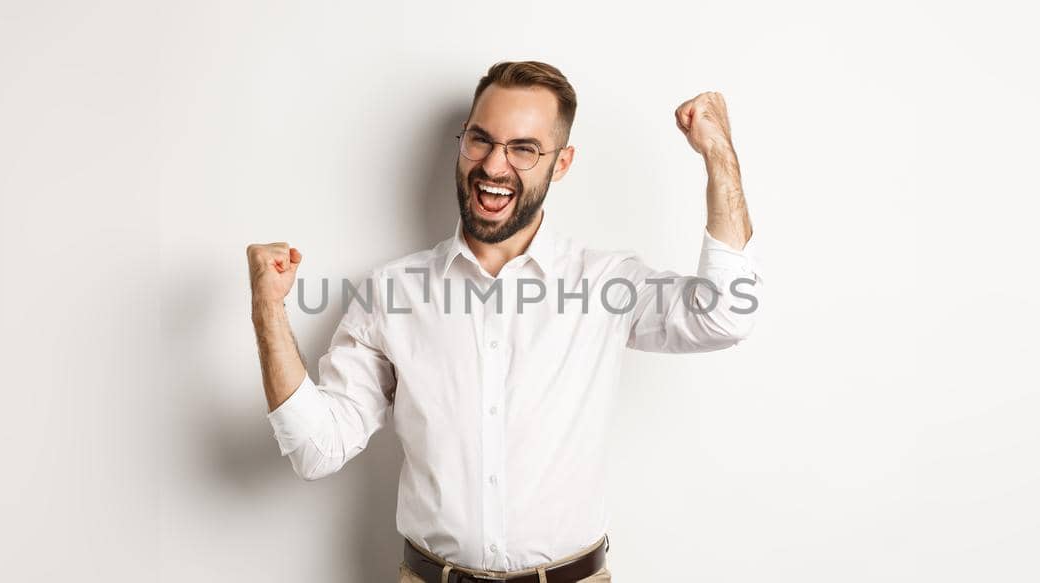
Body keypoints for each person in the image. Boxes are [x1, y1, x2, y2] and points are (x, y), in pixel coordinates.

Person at [245, 60, 760, 582]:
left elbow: (724, 315)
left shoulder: (606, 285)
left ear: (560, 164)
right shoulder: (391, 294)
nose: (494, 165)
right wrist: (268, 309)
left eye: (524, 149)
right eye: (481, 140)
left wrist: (719, 154)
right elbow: (316, 450)